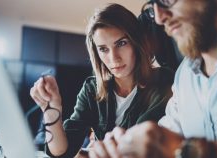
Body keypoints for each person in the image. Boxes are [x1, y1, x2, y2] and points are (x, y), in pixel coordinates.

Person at [89, 0, 217, 158]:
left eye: (166, 0)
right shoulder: (184, 76)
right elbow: (166, 135)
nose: (160, 18)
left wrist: (189, 151)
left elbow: (177, 148)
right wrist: (126, 148)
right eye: (153, 4)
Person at [30, 3, 174, 157]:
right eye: (103, 49)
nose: (114, 58)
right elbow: (61, 153)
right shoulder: (92, 88)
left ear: (136, 43)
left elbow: (137, 146)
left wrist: (89, 153)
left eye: (121, 43)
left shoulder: (163, 80)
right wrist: (51, 109)